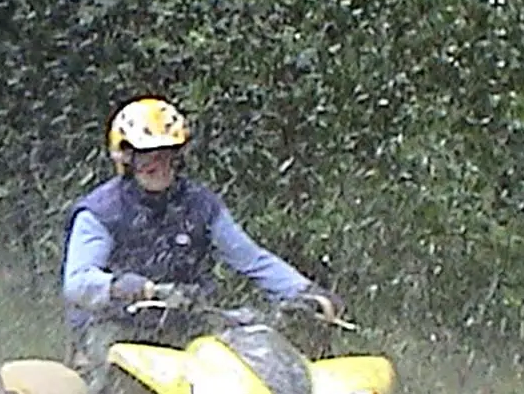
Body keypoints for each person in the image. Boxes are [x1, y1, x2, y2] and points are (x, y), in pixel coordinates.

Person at [62, 95, 341, 376]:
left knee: (256, 363)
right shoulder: (99, 212)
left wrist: (306, 291)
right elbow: (76, 281)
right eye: (148, 158)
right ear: (126, 159)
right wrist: (123, 287)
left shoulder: (200, 204)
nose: (159, 167)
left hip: (190, 320)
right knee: (125, 382)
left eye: (168, 156)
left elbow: (253, 259)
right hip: (115, 328)